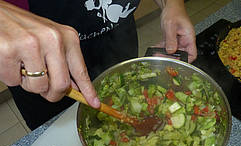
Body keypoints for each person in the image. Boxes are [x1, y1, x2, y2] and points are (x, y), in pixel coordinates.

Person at [0, 0, 197, 130]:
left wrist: (171, 3)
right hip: (35, 56)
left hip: (116, 33)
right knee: (55, 134)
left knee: (128, 90)